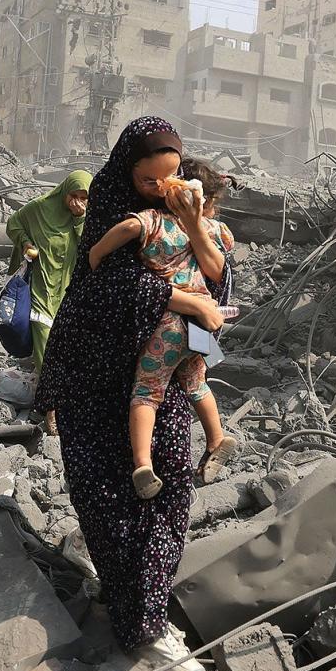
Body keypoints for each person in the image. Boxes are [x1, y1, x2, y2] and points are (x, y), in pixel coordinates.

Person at [38, 117, 227, 671]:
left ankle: (147, 602)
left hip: (161, 375)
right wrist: (187, 302)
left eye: (171, 177)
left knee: (169, 488)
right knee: (110, 498)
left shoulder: (192, 215)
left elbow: (219, 283)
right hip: (98, 383)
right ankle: (141, 627)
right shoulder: (110, 206)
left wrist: (194, 226)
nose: (163, 188)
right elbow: (101, 282)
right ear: (128, 173)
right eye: (151, 180)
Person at [88, 158, 238, 498]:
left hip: (168, 324)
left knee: (147, 392)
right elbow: (220, 261)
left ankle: (142, 464)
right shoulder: (215, 231)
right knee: (197, 382)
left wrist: (97, 252)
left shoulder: (155, 222)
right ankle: (216, 437)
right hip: (201, 325)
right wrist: (198, 219)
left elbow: (128, 229)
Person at [5, 170, 92, 432]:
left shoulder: (88, 218)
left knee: (69, 351)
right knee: (46, 352)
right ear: (64, 193)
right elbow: (13, 224)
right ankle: (51, 410)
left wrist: (80, 219)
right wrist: (26, 243)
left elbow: (90, 246)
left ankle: (69, 403)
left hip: (70, 294)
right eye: (73, 196)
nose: (77, 202)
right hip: (42, 291)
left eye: (84, 198)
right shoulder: (40, 209)